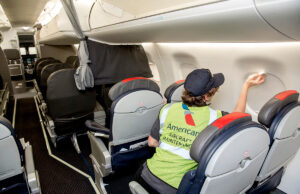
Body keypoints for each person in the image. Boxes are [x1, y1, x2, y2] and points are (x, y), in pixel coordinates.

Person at [134, 68, 265, 194]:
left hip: (145, 175)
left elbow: (151, 142)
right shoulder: (217, 118)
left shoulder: (167, 109)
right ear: (207, 97)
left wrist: (173, 143)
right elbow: (238, 115)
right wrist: (246, 85)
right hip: (174, 187)